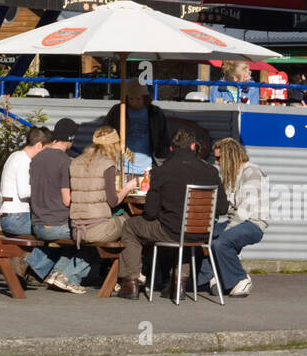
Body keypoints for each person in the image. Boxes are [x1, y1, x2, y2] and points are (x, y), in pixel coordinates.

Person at [115, 124, 223, 299]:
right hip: (201, 232)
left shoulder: (163, 171)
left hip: (170, 231)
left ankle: (130, 283)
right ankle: (177, 284)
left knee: (130, 226)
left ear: (172, 148)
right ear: (194, 146)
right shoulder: (210, 171)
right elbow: (222, 207)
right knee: (186, 230)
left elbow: (150, 212)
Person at [28, 122, 92, 293]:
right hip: (56, 223)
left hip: (37, 222)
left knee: (73, 242)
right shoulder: (64, 162)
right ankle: (66, 275)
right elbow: (66, 200)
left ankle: (37, 267)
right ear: (70, 139)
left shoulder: (37, 157)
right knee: (92, 238)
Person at [206, 138, 267, 297]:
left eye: (219, 158)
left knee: (221, 242)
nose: (216, 162)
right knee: (203, 235)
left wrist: (226, 231)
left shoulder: (252, 172)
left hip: (252, 223)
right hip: (235, 222)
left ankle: (240, 279)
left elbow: (245, 210)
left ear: (229, 157)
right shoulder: (229, 175)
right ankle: (213, 278)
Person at [0, 125, 52, 286]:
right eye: (46, 150)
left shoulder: (15, 156)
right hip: (18, 217)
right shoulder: (24, 160)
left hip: (12, 216)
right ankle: (34, 266)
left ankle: (34, 269)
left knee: (51, 230)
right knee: (55, 230)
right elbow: (25, 192)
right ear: (39, 145)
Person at [69, 126, 139, 246]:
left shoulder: (75, 161)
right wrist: (128, 187)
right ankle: (124, 263)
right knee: (130, 221)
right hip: (99, 230)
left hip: (77, 230)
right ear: (113, 146)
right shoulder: (107, 164)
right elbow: (113, 201)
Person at [104, 79, 169, 177]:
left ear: (145, 98)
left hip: (148, 168)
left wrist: (161, 161)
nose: (134, 102)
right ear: (126, 98)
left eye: (138, 99)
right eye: (131, 99)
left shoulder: (155, 113)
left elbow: (164, 139)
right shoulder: (117, 111)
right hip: (120, 167)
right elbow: (104, 133)